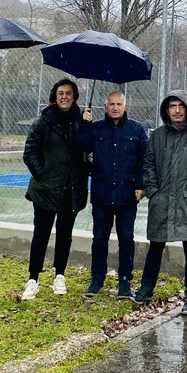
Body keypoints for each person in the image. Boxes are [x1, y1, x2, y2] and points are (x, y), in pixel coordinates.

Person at [133, 89, 187, 317]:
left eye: (181, 106)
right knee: (155, 248)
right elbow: (148, 164)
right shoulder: (158, 135)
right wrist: (153, 190)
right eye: (172, 106)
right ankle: (146, 289)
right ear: (167, 110)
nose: (177, 110)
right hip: (162, 201)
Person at [21, 78, 90, 300]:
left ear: (75, 96)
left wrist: (87, 128)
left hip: (71, 189)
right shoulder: (43, 120)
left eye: (69, 93)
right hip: (46, 189)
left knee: (64, 235)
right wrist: (44, 175)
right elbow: (30, 151)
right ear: (55, 95)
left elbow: (88, 152)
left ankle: (60, 275)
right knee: (40, 235)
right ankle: (33, 279)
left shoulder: (82, 120)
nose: (64, 97)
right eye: (61, 93)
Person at [79, 91, 149, 299]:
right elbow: (81, 148)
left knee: (126, 238)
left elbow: (144, 160)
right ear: (105, 106)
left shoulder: (137, 130)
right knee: (99, 237)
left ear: (125, 106)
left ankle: (125, 281)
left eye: (119, 104)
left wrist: (141, 185)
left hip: (127, 194)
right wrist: (84, 125)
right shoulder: (96, 128)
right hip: (102, 192)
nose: (115, 107)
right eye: (112, 104)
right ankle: (97, 279)